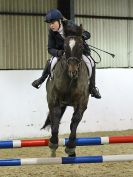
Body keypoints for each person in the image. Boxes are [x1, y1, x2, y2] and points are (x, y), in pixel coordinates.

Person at [32, 9, 101, 99]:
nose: (51, 25)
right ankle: (41, 79)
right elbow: (50, 48)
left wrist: (83, 36)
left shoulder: (70, 24)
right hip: (63, 53)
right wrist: (58, 52)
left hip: (77, 52)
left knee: (91, 62)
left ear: (59, 21)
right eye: (49, 23)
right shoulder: (52, 32)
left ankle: (92, 87)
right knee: (50, 62)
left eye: (53, 22)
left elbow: (87, 33)